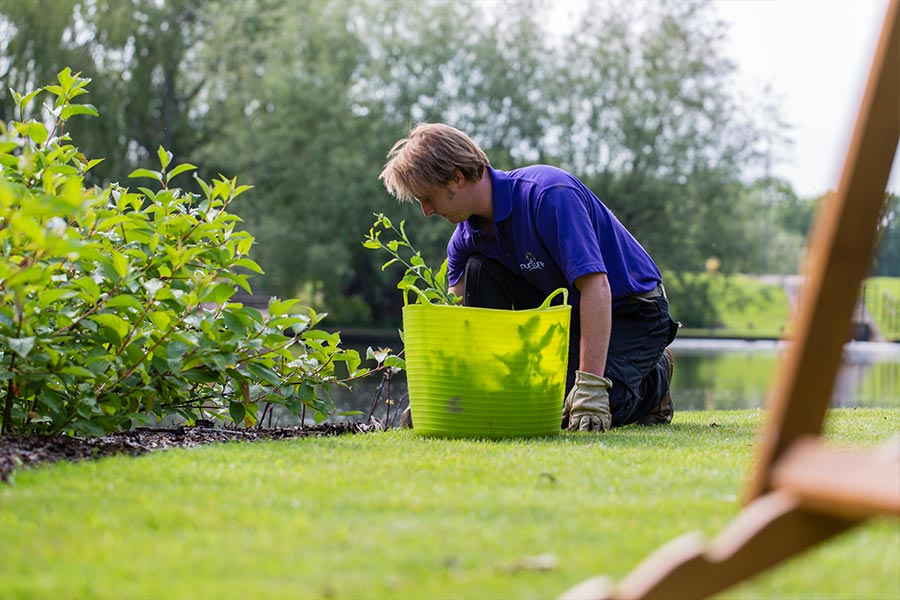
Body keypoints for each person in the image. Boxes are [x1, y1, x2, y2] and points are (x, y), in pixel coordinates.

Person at [380, 123, 679, 432]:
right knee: (479, 271)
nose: (427, 211)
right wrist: (443, 392)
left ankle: (654, 381)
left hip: (633, 310)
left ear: (457, 177)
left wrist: (590, 387)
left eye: (428, 197)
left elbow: (596, 287)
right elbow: (459, 321)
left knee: (581, 411)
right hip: (568, 316)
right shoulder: (464, 241)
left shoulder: (548, 195)